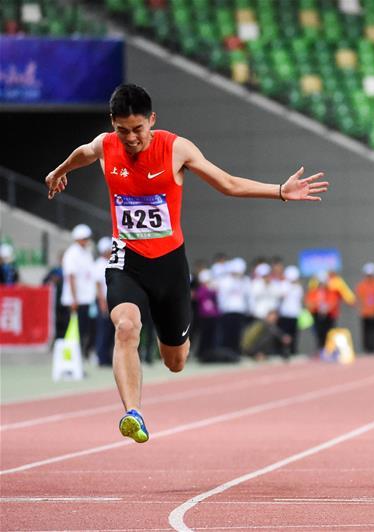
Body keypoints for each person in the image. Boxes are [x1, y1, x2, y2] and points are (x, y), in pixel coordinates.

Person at [44, 83, 328, 443]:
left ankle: (173, 343)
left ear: (152, 120)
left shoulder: (176, 148)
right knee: (126, 327)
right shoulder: (106, 144)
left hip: (169, 265)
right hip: (126, 259)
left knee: (175, 361)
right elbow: (84, 152)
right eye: (122, 130)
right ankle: (133, 412)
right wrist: (59, 171)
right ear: (112, 124)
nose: (131, 138)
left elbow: (226, 183)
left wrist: (279, 191)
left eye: (138, 129)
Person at [61, 224, 101, 356]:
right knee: (74, 330)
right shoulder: (71, 253)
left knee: (85, 330)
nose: (86, 240)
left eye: (87, 238)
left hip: (86, 298)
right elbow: (71, 276)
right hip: (76, 299)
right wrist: (74, 298)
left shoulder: (87, 252)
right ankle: (71, 357)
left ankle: (81, 356)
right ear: (77, 239)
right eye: (84, 238)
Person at [94, 237, 115, 366]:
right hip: (104, 301)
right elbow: (98, 286)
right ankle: (101, 358)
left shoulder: (109, 262)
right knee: (104, 330)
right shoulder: (99, 264)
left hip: (110, 300)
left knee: (110, 331)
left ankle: (107, 357)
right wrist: (102, 303)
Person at [356, 262, 374, 353]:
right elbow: (360, 299)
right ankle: (368, 349)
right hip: (365, 312)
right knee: (367, 332)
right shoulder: (362, 285)